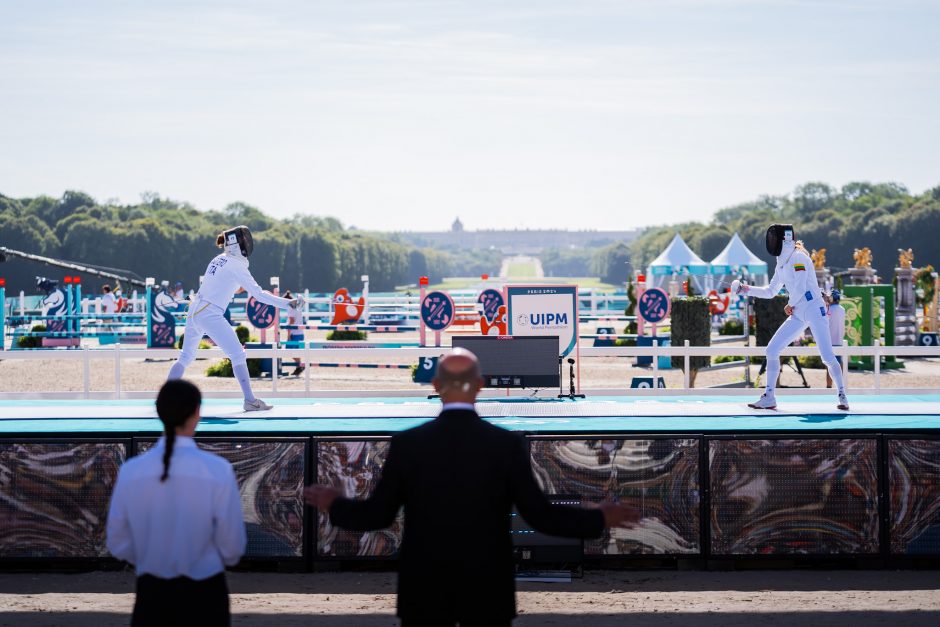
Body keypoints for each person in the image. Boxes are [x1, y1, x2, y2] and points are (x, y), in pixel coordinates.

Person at [304, 348, 641, 627]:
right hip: (487, 590)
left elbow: (377, 516)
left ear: (436, 385)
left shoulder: (408, 445)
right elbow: (541, 517)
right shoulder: (505, 445)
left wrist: (334, 503)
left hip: (424, 590)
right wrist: (598, 518)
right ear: (480, 385)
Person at [106, 379, 246, 627]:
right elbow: (232, 546)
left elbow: (118, 542)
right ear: (197, 413)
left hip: (153, 595)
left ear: (160, 413)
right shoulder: (217, 470)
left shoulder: (132, 471)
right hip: (206, 595)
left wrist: (151, 558)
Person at [167, 225, 302, 411]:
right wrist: (288, 303)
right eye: (244, 240)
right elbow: (259, 294)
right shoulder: (236, 265)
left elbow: (225, 283)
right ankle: (250, 400)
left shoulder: (218, 259)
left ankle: (165, 398)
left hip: (195, 310)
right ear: (237, 244)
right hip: (210, 313)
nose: (247, 243)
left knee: (185, 357)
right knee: (238, 355)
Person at [733, 224, 849, 410]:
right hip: (798, 313)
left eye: (773, 238)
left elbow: (801, 287)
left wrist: (790, 304)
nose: (771, 242)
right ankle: (769, 396)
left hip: (813, 308)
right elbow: (770, 291)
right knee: (772, 350)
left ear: (784, 239)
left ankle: (842, 395)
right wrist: (745, 289)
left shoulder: (798, 257)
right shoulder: (781, 264)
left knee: (827, 356)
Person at [826, 289, 846, 388]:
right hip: (839, 340)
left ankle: (828, 386)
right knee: (839, 363)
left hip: (830, 341)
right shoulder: (842, 309)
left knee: (829, 365)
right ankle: (840, 385)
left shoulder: (829, 309)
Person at [283, 290, 306, 377]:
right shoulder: (297, 307)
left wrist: (288, 336)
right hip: (300, 333)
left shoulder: (290, 307)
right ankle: (299, 367)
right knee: (295, 352)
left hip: (294, 334)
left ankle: (300, 365)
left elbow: (291, 321)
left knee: (289, 351)